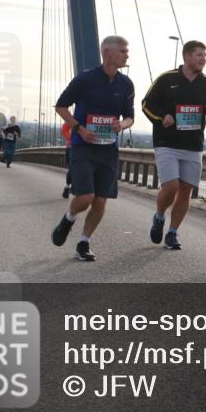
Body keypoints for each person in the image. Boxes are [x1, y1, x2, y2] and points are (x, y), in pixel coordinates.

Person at [51, 36, 135, 261]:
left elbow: (129, 117)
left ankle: (84, 243)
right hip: (83, 147)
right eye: (123, 51)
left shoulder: (126, 84)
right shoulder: (85, 79)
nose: (127, 55)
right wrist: (78, 128)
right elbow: (61, 106)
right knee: (86, 196)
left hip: (108, 149)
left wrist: (122, 125)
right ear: (108, 53)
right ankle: (69, 218)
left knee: (100, 200)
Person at [142, 40, 206, 251]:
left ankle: (172, 233)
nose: (203, 59)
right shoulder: (167, 79)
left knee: (186, 190)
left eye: (205, 56)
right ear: (187, 56)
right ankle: (160, 216)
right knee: (171, 186)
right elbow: (146, 104)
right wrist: (162, 117)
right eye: (199, 55)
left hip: (193, 145)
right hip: (167, 143)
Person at [61, 119, 73, 198]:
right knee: (72, 169)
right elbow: (64, 129)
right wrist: (71, 137)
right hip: (72, 147)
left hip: (88, 148)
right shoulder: (75, 116)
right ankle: (67, 187)